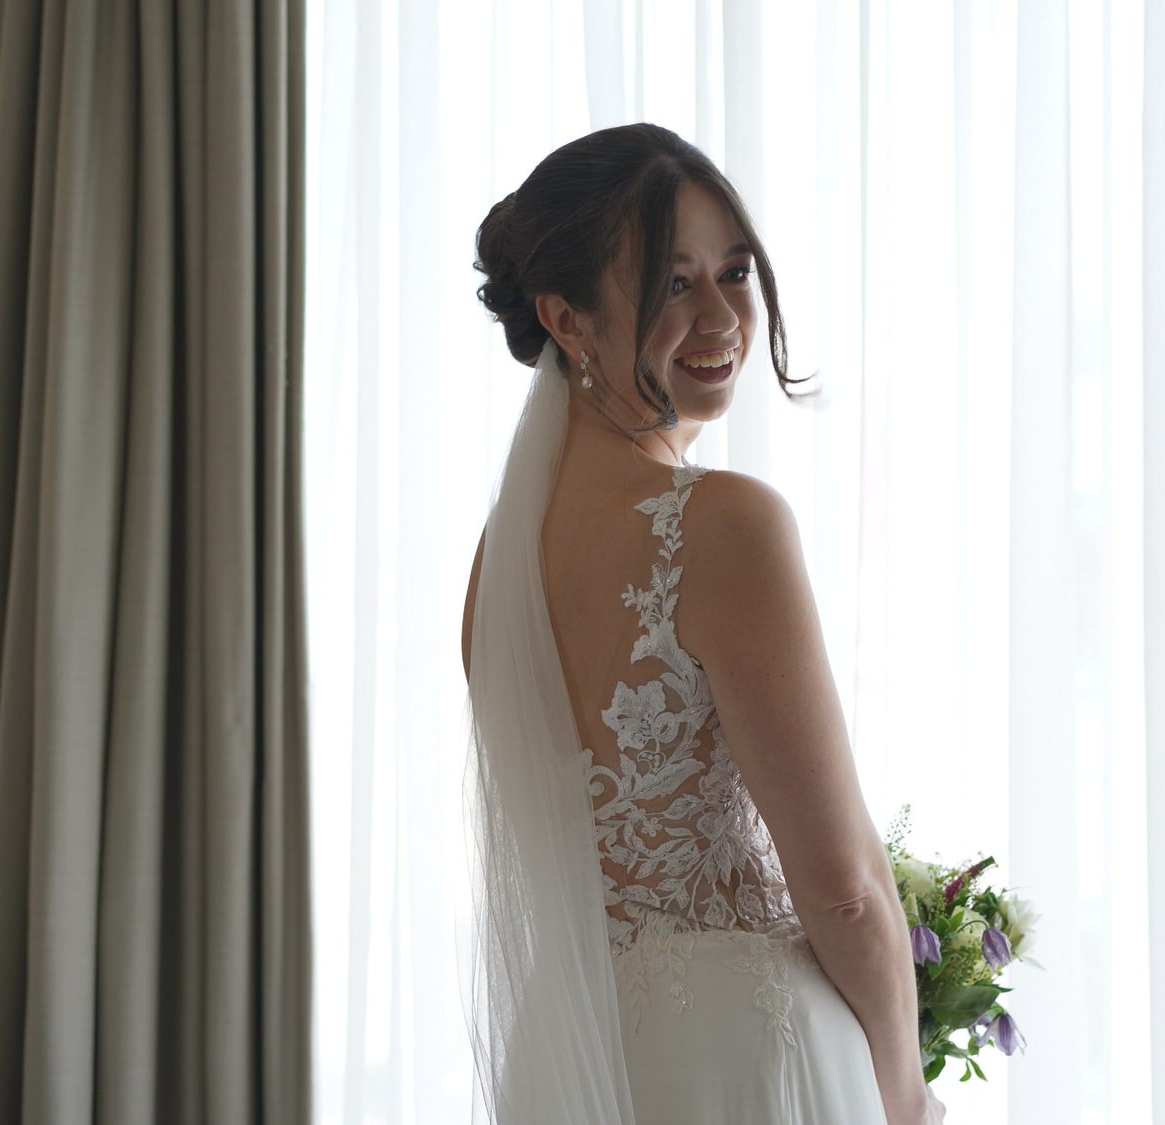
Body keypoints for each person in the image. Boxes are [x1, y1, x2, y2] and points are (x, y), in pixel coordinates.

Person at [458, 122, 948, 1125]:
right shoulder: (724, 524)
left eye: (734, 271)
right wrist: (903, 1095)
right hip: (747, 1059)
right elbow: (845, 891)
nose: (723, 316)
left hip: (585, 1063)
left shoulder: (493, 572)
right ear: (569, 318)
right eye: (673, 285)